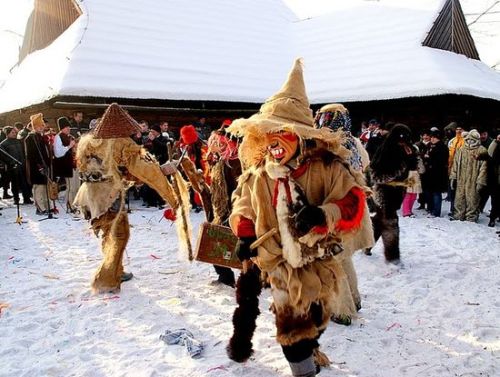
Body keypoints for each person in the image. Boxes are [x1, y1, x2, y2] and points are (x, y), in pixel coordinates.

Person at [226, 59, 373, 376]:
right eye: (268, 134)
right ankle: (302, 370)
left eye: (282, 133)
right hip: (278, 264)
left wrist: (323, 214)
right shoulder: (259, 173)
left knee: (318, 319)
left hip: (319, 262)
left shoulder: (328, 168)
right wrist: (245, 234)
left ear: (300, 136)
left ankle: (311, 347)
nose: (273, 142)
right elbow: (243, 205)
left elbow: (352, 201)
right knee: (292, 327)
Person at [73, 103, 180, 292]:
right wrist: (171, 195)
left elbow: (102, 168)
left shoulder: (88, 142)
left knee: (108, 232)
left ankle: (117, 270)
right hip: (109, 195)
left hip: (90, 194)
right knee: (119, 234)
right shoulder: (122, 143)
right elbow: (147, 171)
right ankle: (106, 279)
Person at [313, 103, 372, 324]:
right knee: (343, 256)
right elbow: (364, 164)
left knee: (332, 258)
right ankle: (355, 298)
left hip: (336, 208)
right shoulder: (354, 142)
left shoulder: (327, 144)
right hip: (355, 208)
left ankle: (343, 310)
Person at [369, 123, 414, 263]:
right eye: (401, 140)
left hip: (397, 193)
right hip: (383, 192)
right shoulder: (385, 150)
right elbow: (375, 175)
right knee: (390, 222)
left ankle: (367, 244)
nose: (403, 143)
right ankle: (393, 256)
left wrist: (413, 161)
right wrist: (399, 170)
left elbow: (416, 169)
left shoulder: (407, 150)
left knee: (378, 221)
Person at [449, 130, 487, 222]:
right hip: (461, 179)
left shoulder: (482, 150)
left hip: (474, 179)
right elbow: (455, 164)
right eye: (468, 140)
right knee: (459, 197)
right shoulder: (461, 149)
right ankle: (459, 214)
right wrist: (453, 177)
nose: (469, 142)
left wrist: (480, 181)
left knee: (472, 198)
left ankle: (471, 216)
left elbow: (484, 168)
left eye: (472, 140)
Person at [24, 113, 53, 215]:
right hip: (36, 167)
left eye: (42, 125)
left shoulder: (41, 137)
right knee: (38, 188)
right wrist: (39, 166)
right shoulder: (30, 138)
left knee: (45, 187)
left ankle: (46, 206)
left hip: (44, 165)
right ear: (35, 126)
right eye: (40, 126)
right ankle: (40, 208)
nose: (42, 127)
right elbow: (30, 155)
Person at [0, 126, 32, 205]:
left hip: (22, 164)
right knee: (15, 184)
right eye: (12, 133)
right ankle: (16, 199)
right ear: (7, 134)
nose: (14, 134)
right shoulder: (3, 144)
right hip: (12, 167)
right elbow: (3, 157)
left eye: (15, 132)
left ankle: (26, 198)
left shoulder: (18, 141)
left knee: (24, 182)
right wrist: (11, 163)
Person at [422, 129, 449, 217]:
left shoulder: (442, 147)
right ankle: (430, 208)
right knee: (429, 192)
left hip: (438, 173)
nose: (432, 139)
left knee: (436, 193)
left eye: (435, 137)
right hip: (429, 173)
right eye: (432, 137)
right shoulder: (430, 145)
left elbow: (441, 161)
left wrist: (429, 158)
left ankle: (436, 211)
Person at [53, 117, 77, 212]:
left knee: (76, 187)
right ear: (61, 128)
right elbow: (58, 153)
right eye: (66, 127)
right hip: (66, 165)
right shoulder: (58, 137)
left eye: (69, 127)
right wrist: (69, 146)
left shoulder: (70, 136)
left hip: (74, 164)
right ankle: (70, 206)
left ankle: (74, 204)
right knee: (71, 187)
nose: (68, 129)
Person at [486, 133, 500, 227]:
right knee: (495, 199)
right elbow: (490, 153)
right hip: (496, 178)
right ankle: (492, 218)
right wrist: (496, 141)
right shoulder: (497, 145)